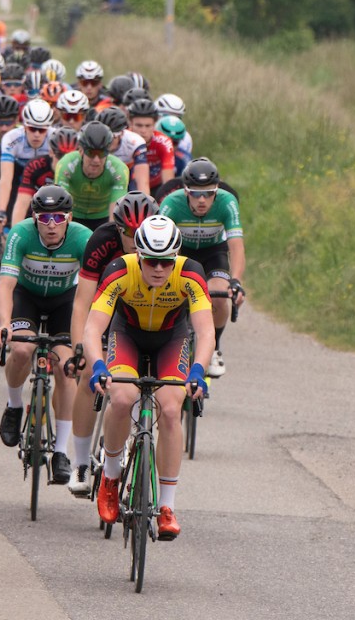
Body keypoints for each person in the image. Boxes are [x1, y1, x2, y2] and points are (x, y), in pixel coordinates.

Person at [83, 215, 215, 540]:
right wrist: (98, 366)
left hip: (171, 339)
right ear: (139, 256)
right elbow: (93, 327)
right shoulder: (119, 271)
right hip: (127, 335)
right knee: (123, 398)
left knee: (170, 409)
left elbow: (206, 331)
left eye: (166, 261)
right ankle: (111, 478)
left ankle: (166, 507)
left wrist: (198, 371)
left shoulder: (191, 274)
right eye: (152, 261)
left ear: (176, 257)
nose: (159, 269)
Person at [0, 185, 92, 484]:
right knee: (22, 351)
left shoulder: (82, 238)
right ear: (34, 218)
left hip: (65, 302)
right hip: (28, 298)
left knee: (66, 366)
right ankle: (14, 405)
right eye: (44, 218)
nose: (51, 225)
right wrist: (5, 324)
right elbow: (6, 286)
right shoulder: (21, 234)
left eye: (58, 218)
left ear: (69, 218)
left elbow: (89, 294)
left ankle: (61, 451)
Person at [63, 191, 159, 495]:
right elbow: (82, 303)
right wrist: (80, 348)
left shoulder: (162, 242)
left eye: (139, 232)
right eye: (127, 232)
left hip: (145, 315)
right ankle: (79, 462)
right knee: (89, 374)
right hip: (106, 310)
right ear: (117, 228)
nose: (132, 239)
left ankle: (131, 438)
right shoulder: (102, 242)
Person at [158, 158, 246, 377]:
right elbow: (159, 243)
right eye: (196, 193)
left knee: (218, 295)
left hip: (213, 253)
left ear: (216, 191)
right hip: (181, 252)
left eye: (208, 193)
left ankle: (214, 347)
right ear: (186, 191)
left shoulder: (227, 202)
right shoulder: (171, 203)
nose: (202, 200)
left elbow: (236, 246)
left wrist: (235, 281)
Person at [54, 121, 129, 231]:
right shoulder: (66, 165)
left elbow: (115, 216)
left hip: (102, 218)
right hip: (73, 216)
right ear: (81, 150)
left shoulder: (119, 170)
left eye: (102, 153)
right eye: (91, 153)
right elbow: (60, 208)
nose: (96, 160)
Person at [0, 99, 55, 230]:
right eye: (32, 129)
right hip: (19, 183)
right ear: (25, 126)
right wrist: (1, 211)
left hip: (45, 183)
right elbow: (5, 179)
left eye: (42, 130)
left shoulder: (55, 137)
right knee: (8, 223)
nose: (37, 134)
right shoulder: (11, 138)